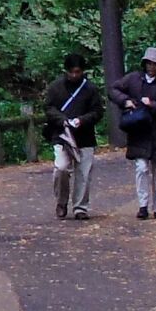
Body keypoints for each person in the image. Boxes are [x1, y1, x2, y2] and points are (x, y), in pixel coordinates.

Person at [117, 48, 156, 218]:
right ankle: (143, 205)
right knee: (141, 168)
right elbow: (114, 90)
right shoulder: (133, 79)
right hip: (139, 131)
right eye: (150, 63)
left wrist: (152, 104)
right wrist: (126, 101)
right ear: (145, 63)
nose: (152, 67)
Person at [45, 60, 108, 220]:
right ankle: (61, 201)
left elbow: (97, 111)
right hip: (62, 135)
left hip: (85, 136)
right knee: (61, 168)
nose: (74, 75)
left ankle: (80, 207)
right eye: (71, 72)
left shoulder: (90, 89)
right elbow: (48, 108)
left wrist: (82, 120)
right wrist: (63, 120)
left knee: (84, 173)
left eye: (78, 72)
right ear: (66, 71)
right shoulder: (55, 87)